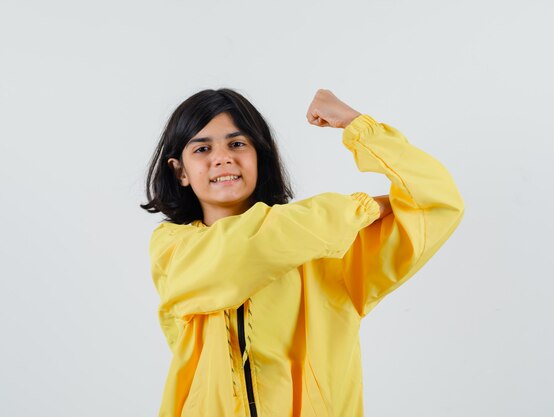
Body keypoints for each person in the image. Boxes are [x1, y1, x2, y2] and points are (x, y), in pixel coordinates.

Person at [141, 88, 464, 417]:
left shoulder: (331, 252)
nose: (223, 157)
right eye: (202, 148)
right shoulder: (173, 248)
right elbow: (244, 249)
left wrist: (358, 127)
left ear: (260, 158)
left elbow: (436, 202)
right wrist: (362, 208)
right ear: (179, 171)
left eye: (237, 143)